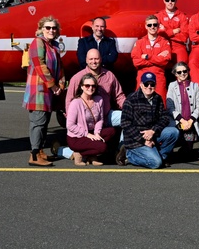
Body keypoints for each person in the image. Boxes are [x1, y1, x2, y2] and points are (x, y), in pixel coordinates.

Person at [55, 48, 127, 161]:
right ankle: (67, 152)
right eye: (91, 59)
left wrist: (129, 109)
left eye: (96, 59)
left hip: (105, 116)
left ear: (101, 59)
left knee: (128, 117)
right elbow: (69, 100)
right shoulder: (77, 78)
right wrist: (71, 118)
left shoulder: (109, 76)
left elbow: (119, 96)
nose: (94, 61)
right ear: (87, 60)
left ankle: (121, 150)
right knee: (100, 147)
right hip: (84, 121)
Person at [22, 16, 65, 167]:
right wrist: (53, 85)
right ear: (41, 29)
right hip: (38, 90)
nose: (51, 30)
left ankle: (39, 151)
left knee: (44, 122)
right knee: (38, 123)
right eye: (48, 28)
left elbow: (60, 68)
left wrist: (60, 83)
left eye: (54, 28)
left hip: (48, 91)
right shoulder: (38, 42)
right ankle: (34, 155)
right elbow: (39, 64)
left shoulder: (53, 46)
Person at [120, 72, 179, 169]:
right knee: (155, 163)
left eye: (152, 84)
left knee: (174, 132)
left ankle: (162, 156)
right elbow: (125, 123)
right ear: (141, 84)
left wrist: (153, 131)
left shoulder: (157, 98)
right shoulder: (131, 99)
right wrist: (144, 140)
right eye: (146, 84)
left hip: (152, 134)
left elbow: (164, 118)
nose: (149, 87)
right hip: (136, 139)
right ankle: (129, 155)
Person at [65, 75, 116, 165]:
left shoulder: (99, 100)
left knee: (111, 131)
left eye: (93, 86)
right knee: (102, 147)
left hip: (92, 132)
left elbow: (100, 119)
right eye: (87, 85)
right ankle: (78, 154)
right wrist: (88, 134)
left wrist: (97, 133)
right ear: (81, 87)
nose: (90, 88)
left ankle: (91, 156)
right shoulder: (75, 103)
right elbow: (70, 125)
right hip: (77, 137)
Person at [131, 15, 172, 100]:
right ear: (146, 26)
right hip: (142, 76)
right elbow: (136, 62)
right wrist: (156, 59)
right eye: (149, 25)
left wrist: (147, 57)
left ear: (158, 26)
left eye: (155, 25)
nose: (152, 27)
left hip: (158, 77)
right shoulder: (140, 42)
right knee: (139, 103)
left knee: (161, 104)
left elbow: (165, 61)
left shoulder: (164, 42)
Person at [165, 62, 199, 156]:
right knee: (172, 146)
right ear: (175, 74)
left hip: (191, 122)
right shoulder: (172, 86)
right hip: (177, 121)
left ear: (188, 72)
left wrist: (190, 121)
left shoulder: (195, 86)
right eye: (179, 72)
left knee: (187, 153)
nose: (182, 74)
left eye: (184, 71)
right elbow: (170, 106)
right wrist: (182, 120)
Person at [156, 0, 189, 65]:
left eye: (172, 0)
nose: (170, 2)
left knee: (182, 64)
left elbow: (184, 37)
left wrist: (165, 31)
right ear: (164, 1)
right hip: (162, 45)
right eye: (167, 0)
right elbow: (156, 34)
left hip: (178, 46)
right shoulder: (158, 16)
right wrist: (174, 31)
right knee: (156, 63)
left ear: (176, 1)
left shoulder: (182, 16)